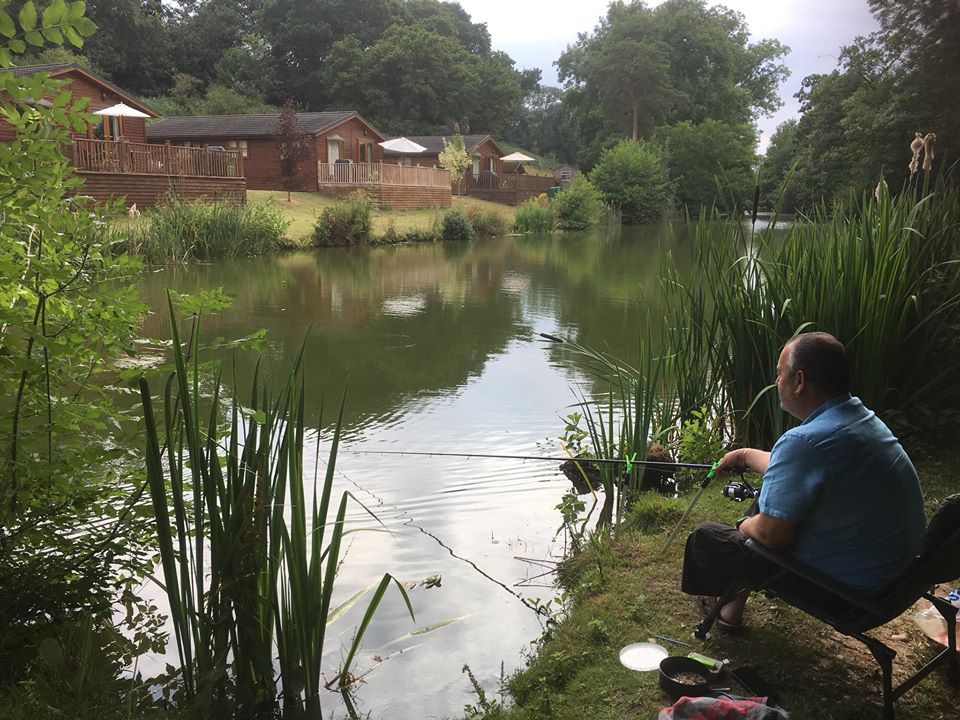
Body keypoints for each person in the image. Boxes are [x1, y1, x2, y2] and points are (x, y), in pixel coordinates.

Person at [681, 332, 926, 633]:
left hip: (849, 595)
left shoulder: (804, 442)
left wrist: (743, 526)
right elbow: (794, 471)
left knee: (706, 538)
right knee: (773, 498)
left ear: (799, 381)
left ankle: (721, 606)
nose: (776, 383)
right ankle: (730, 613)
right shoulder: (857, 419)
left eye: (779, 374)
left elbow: (773, 538)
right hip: (894, 582)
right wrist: (743, 456)